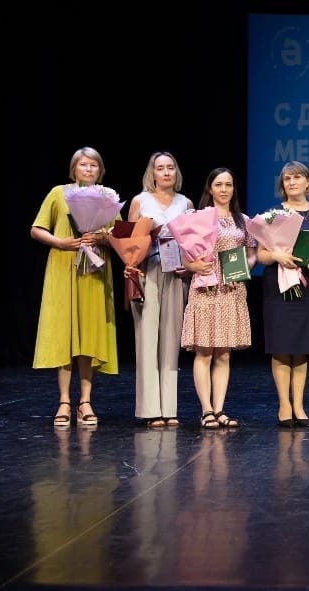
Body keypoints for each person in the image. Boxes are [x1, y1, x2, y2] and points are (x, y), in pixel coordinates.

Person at [31, 146, 119, 428]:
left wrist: (101, 238)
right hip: (64, 268)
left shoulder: (107, 196)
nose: (89, 169)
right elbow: (37, 229)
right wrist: (60, 242)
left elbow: (118, 235)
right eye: (83, 164)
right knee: (64, 334)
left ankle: (85, 401)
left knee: (89, 336)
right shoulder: (59, 193)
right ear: (73, 169)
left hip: (94, 272)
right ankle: (64, 402)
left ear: (100, 170)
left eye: (94, 165)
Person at [180, 167, 257, 429]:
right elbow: (185, 257)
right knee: (204, 352)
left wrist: (243, 270)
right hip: (206, 289)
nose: (224, 189)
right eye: (219, 184)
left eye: (229, 184)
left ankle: (220, 408)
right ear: (210, 188)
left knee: (223, 354)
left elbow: (251, 254)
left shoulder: (243, 220)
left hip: (232, 290)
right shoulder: (197, 218)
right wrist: (194, 266)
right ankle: (206, 410)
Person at [128, 151, 194, 427]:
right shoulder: (140, 201)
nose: (166, 172)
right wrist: (132, 264)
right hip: (148, 271)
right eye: (160, 168)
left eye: (170, 168)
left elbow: (193, 242)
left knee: (170, 340)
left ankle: (169, 407)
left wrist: (188, 266)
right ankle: (150, 409)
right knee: (147, 338)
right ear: (152, 173)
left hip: (176, 274)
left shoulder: (185, 203)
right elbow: (129, 241)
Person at [257, 161, 309, 428]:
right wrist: (276, 255)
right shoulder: (273, 215)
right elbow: (261, 255)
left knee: (302, 346)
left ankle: (299, 405)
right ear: (282, 185)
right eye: (287, 178)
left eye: (297, 177)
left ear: (308, 182)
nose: (292, 182)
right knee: (282, 345)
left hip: (308, 284)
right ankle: (284, 404)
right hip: (278, 285)